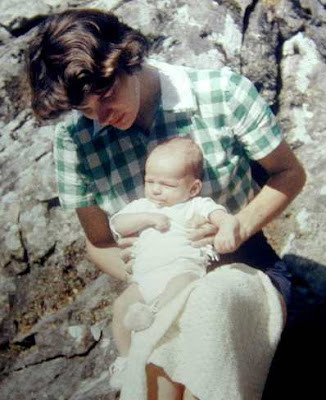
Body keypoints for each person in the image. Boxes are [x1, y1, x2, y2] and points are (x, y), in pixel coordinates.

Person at [27, 8, 306, 400]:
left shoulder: (222, 93)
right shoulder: (74, 141)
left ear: (129, 58)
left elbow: (289, 174)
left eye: (106, 97)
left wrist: (238, 225)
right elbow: (99, 241)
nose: (102, 119)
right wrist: (152, 274)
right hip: (156, 285)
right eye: (86, 110)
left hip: (245, 267)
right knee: (151, 346)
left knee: (210, 304)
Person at [108, 137, 240, 389]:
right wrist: (146, 217)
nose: (156, 190)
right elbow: (117, 224)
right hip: (145, 278)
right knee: (120, 306)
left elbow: (221, 216)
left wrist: (227, 227)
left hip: (182, 270)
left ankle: (154, 315)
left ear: (193, 188)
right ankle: (124, 359)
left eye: (166, 184)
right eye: (150, 181)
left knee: (180, 287)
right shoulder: (143, 206)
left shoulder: (194, 206)